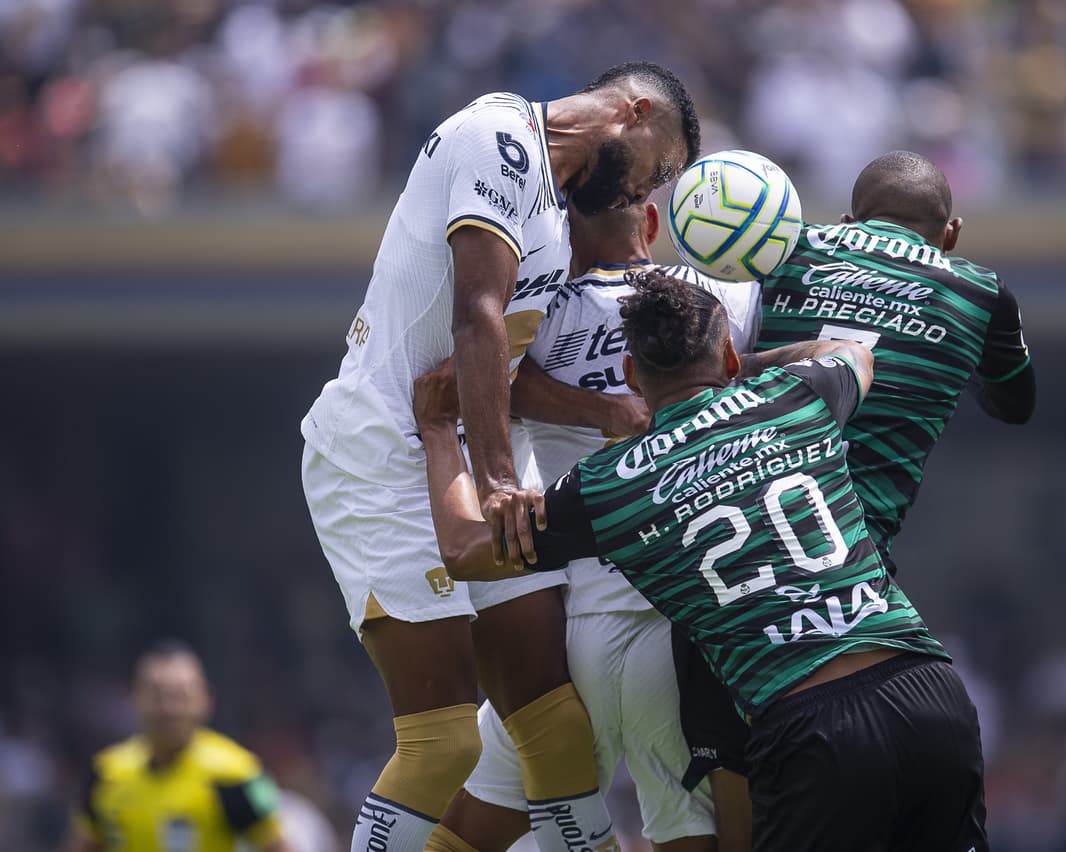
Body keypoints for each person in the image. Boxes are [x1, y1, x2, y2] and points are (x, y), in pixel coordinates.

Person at [415, 272, 989, 852]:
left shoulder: (615, 486)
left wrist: (440, 430)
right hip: (927, 691)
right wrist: (742, 366)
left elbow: (464, 549)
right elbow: (852, 352)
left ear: (632, 376)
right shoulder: (796, 399)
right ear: (728, 354)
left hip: (811, 726)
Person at [299, 62, 700, 852]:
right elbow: (476, 317)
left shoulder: (554, 212)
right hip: (382, 452)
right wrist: (497, 482)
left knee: (555, 728)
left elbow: (504, 372)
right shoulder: (498, 138)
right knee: (443, 743)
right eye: (662, 168)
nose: (643, 193)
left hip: (466, 451)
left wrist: (603, 409)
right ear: (637, 110)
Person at [675, 149, 1035, 848]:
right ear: (952, 232)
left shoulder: (791, 246)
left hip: (728, 579)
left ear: (847, 219)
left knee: (726, 821)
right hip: (852, 590)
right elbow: (1014, 403)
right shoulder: (980, 290)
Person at [419, 202, 758, 852]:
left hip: (567, 635)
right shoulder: (725, 302)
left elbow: (476, 373)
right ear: (654, 220)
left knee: (468, 834)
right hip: (679, 636)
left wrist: (596, 409)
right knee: (683, 829)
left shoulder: (538, 311)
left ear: (562, 234)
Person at [66, 640, 288, 852]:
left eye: (180, 695)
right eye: (156, 695)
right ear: (134, 697)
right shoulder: (105, 774)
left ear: (205, 699)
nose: (169, 708)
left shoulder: (237, 775)